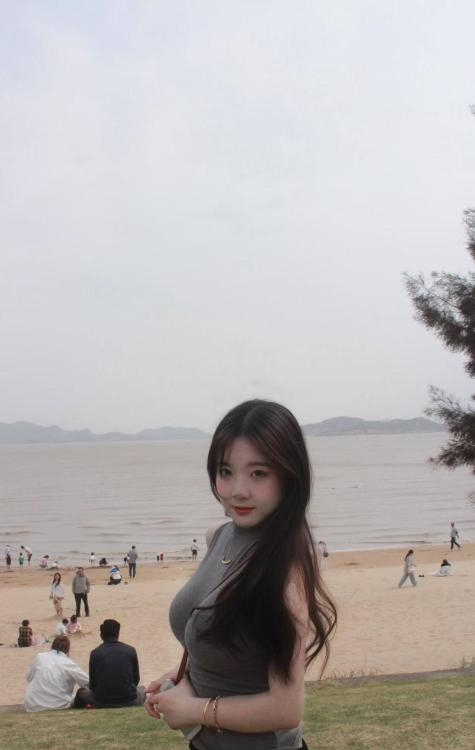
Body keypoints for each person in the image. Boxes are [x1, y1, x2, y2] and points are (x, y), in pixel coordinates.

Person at [145, 399, 337, 750]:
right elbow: (233, 646)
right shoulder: (219, 536)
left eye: (258, 473)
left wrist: (193, 709)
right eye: (226, 471)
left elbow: (286, 709)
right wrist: (183, 677)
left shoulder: (285, 575)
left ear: (289, 476)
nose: (238, 491)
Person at [74, 619, 145, 708]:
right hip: (129, 700)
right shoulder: (130, 650)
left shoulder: (95, 653)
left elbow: (93, 684)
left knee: (81, 692)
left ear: (101, 636)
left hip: (102, 701)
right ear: (118, 634)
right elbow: (136, 679)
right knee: (142, 689)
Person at [24, 635, 89, 712]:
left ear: (52, 646)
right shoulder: (69, 663)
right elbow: (87, 682)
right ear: (68, 650)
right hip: (58, 704)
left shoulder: (40, 657)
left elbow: (28, 678)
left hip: (33, 704)